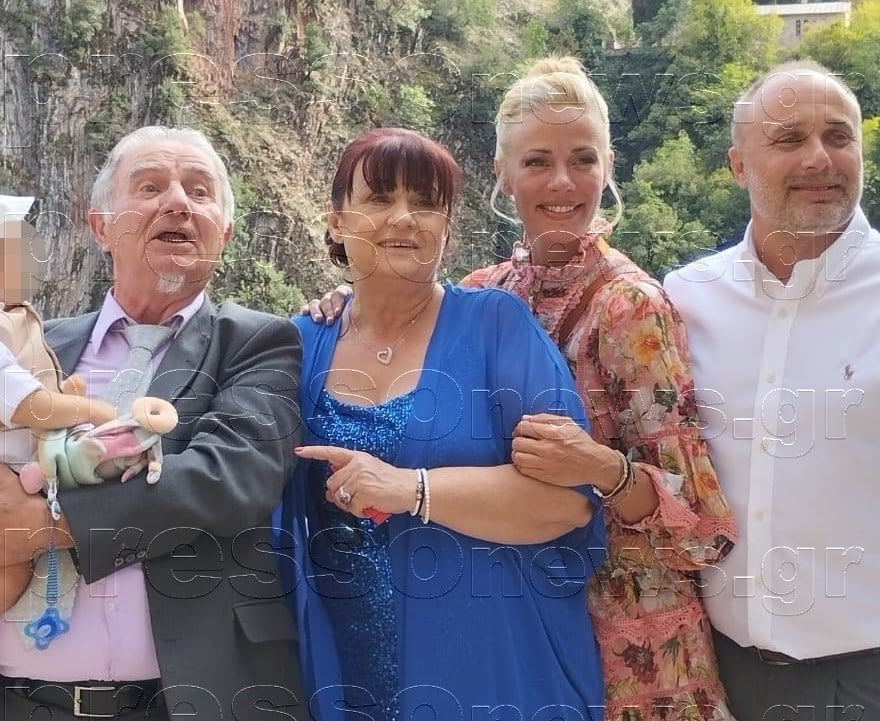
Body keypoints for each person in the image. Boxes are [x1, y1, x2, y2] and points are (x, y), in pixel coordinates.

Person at [305, 59, 738, 721]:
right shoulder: (488, 290)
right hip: (505, 621)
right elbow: (405, 299)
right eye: (538, 161)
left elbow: (703, 529)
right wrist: (347, 296)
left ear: (609, 167)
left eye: (582, 159)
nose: (562, 182)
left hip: (633, 644)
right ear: (503, 174)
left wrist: (603, 469)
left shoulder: (631, 308)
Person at [0, 126, 307, 721]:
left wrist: (53, 522)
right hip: (2, 701)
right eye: (150, 187)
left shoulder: (257, 343)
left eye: (199, 192)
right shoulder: (20, 349)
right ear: (100, 227)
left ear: (224, 232)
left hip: (183, 702)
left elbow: (234, 475)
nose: (178, 202)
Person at [283, 127, 607, 721]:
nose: (404, 218)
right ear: (337, 222)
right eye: (380, 198)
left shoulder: (496, 327)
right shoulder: (301, 343)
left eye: (426, 203)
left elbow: (568, 503)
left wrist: (411, 489)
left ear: (448, 228)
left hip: (492, 667)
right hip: (341, 674)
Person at [0, 183, 179, 718]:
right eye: (20, 250)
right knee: (6, 568)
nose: (35, 261)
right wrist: (96, 412)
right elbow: (32, 407)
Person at [664, 60, 880, 720]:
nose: (819, 158)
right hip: (720, 671)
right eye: (789, 139)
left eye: (838, 137)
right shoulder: (686, 298)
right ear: (738, 165)